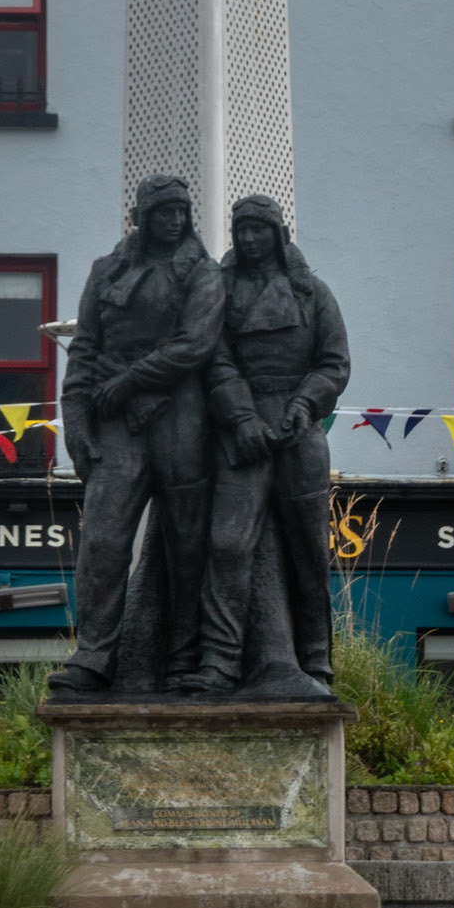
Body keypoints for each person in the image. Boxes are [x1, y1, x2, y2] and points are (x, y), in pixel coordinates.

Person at [50, 174, 225, 693]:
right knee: (102, 540)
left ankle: (183, 656)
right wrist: (76, 425)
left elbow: (195, 344)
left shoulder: (203, 272)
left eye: (182, 211)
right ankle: (93, 654)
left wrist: (129, 381)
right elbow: (84, 350)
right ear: (142, 217)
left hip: (181, 417)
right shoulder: (106, 271)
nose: (175, 220)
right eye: (164, 211)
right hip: (115, 423)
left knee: (186, 543)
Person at [186, 194, 350, 696]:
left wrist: (304, 403)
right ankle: (220, 662)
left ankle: (316, 660)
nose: (250, 239)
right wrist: (241, 418)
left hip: (300, 431)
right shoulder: (219, 292)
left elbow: (334, 363)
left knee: (309, 549)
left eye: (259, 229)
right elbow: (213, 360)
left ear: (278, 234)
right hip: (241, 432)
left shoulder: (313, 292)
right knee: (227, 544)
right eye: (242, 230)